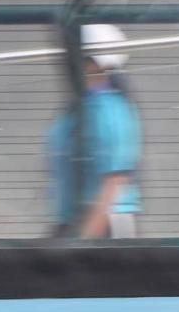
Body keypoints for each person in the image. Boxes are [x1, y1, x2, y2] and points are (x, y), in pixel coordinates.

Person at [47, 24, 142, 239]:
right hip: (75, 221)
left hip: (106, 225)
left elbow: (115, 181)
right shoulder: (77, 108)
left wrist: (84, 241)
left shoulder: (112, 109)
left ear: (94, 64)